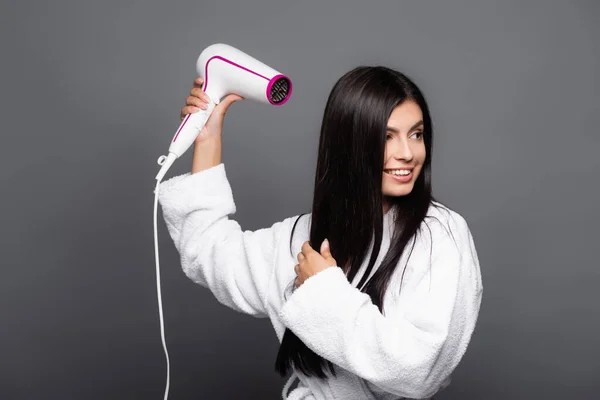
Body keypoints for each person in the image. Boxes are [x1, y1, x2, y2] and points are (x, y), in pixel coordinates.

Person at [157, 66, 483, 400]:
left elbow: (419, 371)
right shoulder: (302, 238)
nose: (408, 153)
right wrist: (208, 138)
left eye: (416, 134)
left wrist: (324, 290)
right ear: (349, 145)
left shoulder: (439, 235)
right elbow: (208, 252)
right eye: (386, 137)